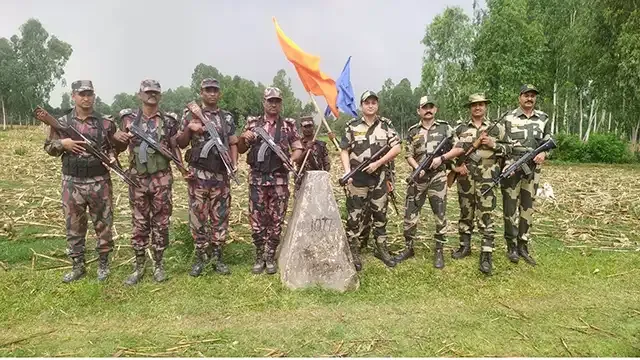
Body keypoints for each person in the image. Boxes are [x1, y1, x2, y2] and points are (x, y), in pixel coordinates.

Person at [44, 80, 128, 283]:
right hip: (72, 182)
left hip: (100, 181)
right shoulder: (62, 122)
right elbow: (48, 148)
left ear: (94, 96)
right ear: (73, 96)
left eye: (89, 94)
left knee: (104, 224)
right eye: (82, 94)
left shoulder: (105, 123)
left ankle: (103, 264)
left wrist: (114, 154)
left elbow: (113, 148)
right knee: (74, 225)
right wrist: (63, 144)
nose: (86, 97)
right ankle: (77, 266)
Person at [117, 80, 181, 284]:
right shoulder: (128, 118)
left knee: (161, 223)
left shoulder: (169, 121)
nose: (151, 95)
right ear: (140, 95)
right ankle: (139, 266)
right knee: (139, 223)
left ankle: (159, 265)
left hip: (161, 178)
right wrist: (119, 139)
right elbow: (118, 143)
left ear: (160, 96)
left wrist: (182, 168)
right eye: (148, 92)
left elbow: (173, 146)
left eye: (155, 93)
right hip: (137, 179)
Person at [237, 87, 304, 275]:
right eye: (270, 101)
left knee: (276, 220)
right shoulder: (253, 123)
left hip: (279, 180)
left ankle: (270, 255)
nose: (273, 104)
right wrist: (245, 137)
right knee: (257, 220)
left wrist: (293, 159)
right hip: (257, 179)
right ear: (263, 102)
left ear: (281, 103)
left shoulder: (288, 125)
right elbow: (241, 148)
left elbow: (297, 147)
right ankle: (259, 255)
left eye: (277, 101)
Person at [176, 78, 238, 277]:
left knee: (220, 216)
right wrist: (189, 128)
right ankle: (200, 256)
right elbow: (180, 142)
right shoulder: (190, 114)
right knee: (198, 216)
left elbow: (233, 143)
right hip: (199, 175)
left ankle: (218, 256)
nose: (211, 93)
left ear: (219, 94)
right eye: (207, 90)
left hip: (221, 175)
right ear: (201, 92)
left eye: (215, 90)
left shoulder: (226, 118)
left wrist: (233, 164)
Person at [395, 95, 461, 269]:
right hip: (419, 179)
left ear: (435, 109)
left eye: (431, 107)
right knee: (410, 215)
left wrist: (442, 158)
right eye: (424, 107)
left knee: (440, 215)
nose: (428, 110)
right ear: (419, 111)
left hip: (438, 178)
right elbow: (408, 154)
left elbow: (459, 148)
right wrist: (418, 167)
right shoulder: (412, 131)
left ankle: (439, 250)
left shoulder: (446, 129)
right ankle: (409, 248)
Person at [339, 90, 402, 271]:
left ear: (377, 105)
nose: (371, 105)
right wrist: (347, 172)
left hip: (380, 177)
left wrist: (378, 163)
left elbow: (396, 147)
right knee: (354, 216)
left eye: (374, 102)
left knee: (380, 214)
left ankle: (381, 248)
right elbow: (344, 149)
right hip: (358, 179)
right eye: (367, 102)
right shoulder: (352, 126)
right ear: (362, 106)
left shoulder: (386, 125)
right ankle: (353, 249)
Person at [450, 93, 511, 275]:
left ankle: (486, 254)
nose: (477, 108)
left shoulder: (497, 128)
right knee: (465, 213)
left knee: (486, 215)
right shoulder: (460, 129)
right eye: (474, 105)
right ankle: (464, 246)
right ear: (470, 108)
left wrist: (494, 144)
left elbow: (510, 150)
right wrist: (455, 168)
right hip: (465, 179)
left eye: (481, 104)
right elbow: (451, 152)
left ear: (485, 107)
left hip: (487, 179)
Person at [500, 84, 551, 266]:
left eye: (532, 96)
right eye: (526, 95)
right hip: (512, 168)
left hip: (532, 172)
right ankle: (511, 246)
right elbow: (501, 144)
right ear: (519, 97)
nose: (529, 99)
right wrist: (508, 163)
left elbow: (548, 141)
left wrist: (544, 153)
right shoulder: (508, 118)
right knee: (510, 208)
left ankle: (523, 245)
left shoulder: (543, 118)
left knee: (527, 208)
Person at [294, 116, 330, 191]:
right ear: (301, 127)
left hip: (318, 181)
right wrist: (306, 150)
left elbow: (326, 163)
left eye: (310, 126)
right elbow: (297, 162)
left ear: (313, 127)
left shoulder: (321, 144)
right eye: (305, 127)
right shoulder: (297, 144)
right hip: (302, 181)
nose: (308, 129)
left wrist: (324, 175)